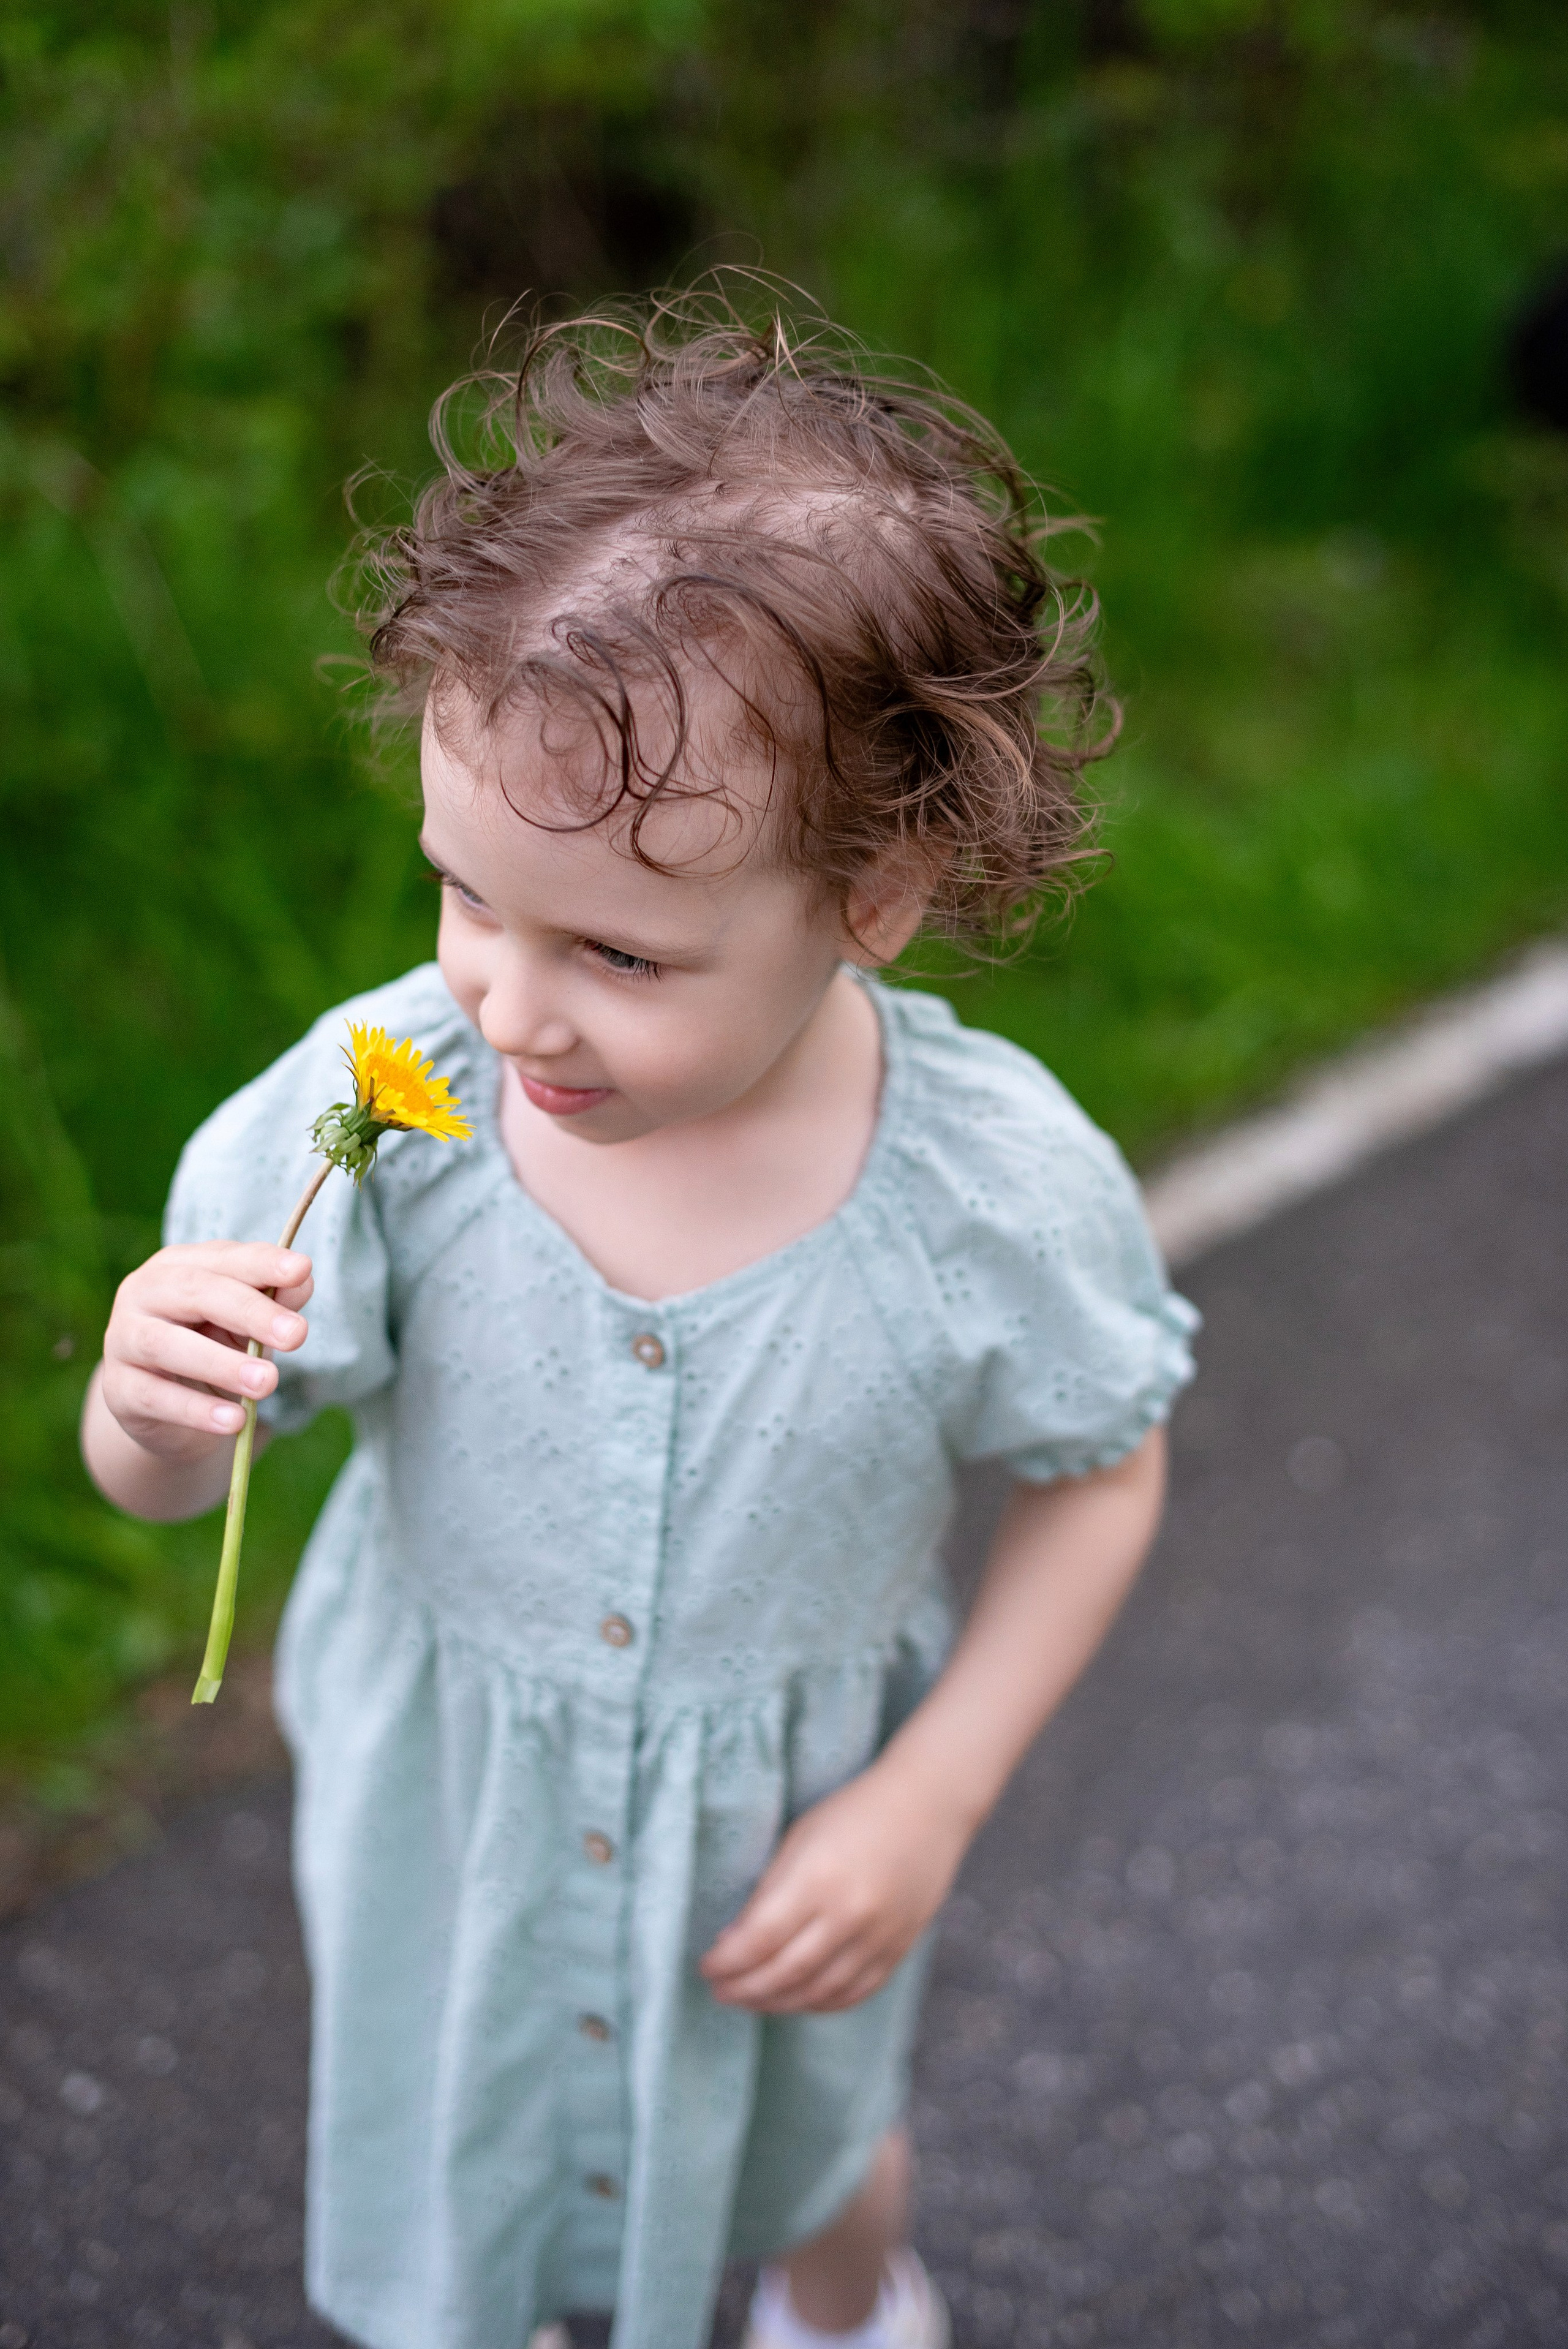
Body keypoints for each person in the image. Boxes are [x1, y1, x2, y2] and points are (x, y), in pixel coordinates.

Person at [82, 290, 1196, 2349]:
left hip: (790, 1837)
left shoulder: (988, 1187)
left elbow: (1101, 1475)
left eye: (617, 947)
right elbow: (164, 1489)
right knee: (471, 2147)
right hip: (461, 1830)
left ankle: (848, 2311)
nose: (508, 1004)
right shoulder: (381, 1114)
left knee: (813, 2141)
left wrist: (930, 1794)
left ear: (875, 889)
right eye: (464, 894)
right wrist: (151, 1403)